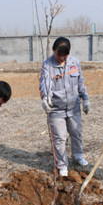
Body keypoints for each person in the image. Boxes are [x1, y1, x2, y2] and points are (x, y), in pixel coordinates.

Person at [39, 36, 90, 177]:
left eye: (64, 55)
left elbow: (80, 82)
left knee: (76, 133)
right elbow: (45, 83)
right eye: (58, 54)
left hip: (73, 107)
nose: (61, 58)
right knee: (59, 138)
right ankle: (62, 164)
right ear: (53, 51)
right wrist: (46, 96)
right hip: (56, 109)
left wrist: (85, 98)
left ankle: (78, 156)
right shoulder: (48, 65)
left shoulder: (74, 63)